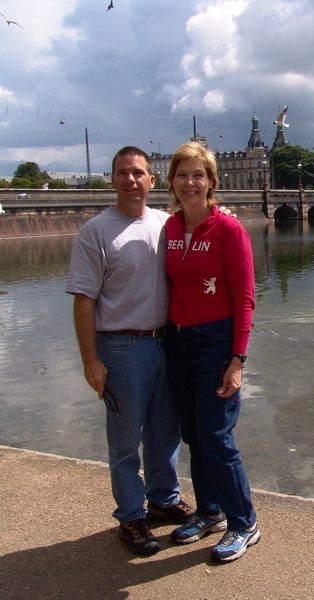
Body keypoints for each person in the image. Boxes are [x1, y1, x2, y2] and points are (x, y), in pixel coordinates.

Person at [66, 146, 195, 556]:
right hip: (121, 346)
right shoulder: (96, 231)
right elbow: (83, 300)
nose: (131, 180)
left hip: (165, 341)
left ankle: (163, 499)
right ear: (113, 180)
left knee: (165, 431)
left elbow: (205, 230)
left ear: (152, 181)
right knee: (125, 441)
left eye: (138, 173)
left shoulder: (166, 224)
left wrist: (222, 213)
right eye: (122, 173)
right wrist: (90, 360)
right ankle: (131, 515)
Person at [163, 142, 258, 563]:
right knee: (193, 433)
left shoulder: (229, 230)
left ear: (211, 181)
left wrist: (237, 361)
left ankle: (244, 523)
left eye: (198, 175)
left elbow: (245, 300)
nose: (190, 183)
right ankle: (209, 511)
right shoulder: (169, 227)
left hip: (216, 340)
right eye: (182, 175)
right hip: (177, 339)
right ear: (171, 182)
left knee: (217, 435)